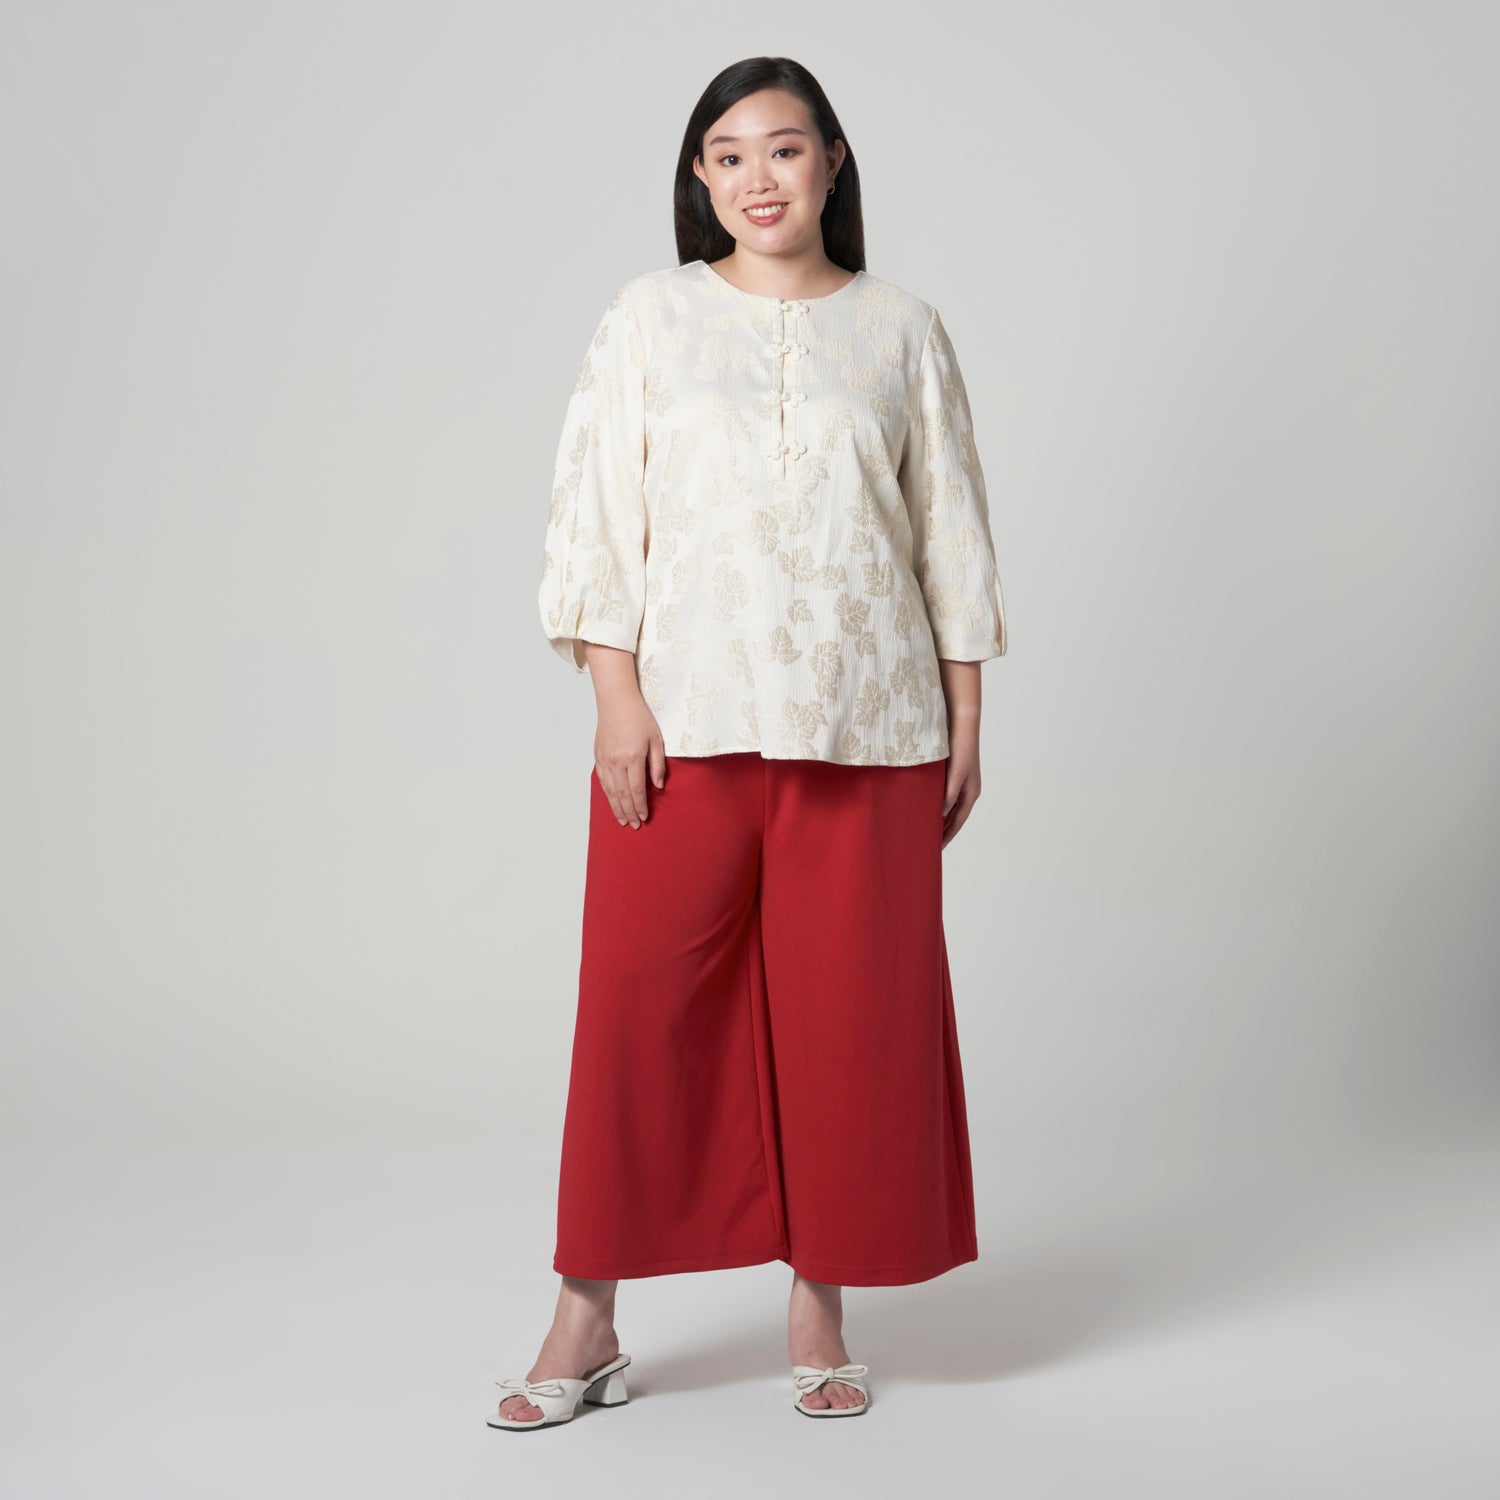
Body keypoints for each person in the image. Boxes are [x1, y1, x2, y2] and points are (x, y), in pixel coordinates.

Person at [491, 55, 1008, 1430]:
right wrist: (614, 696)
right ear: (700, 179)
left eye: (782, 148)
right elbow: (597, 518)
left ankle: (819, 1305)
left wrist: (964, 714)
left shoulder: (902, 329)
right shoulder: (648, 320)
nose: (756, 178)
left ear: (832, 160)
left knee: (852, 1017)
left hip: (871, 725)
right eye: (727, 155)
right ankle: (587, 1318)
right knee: (639, 1011)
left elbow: (949, 529)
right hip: (689, 722)